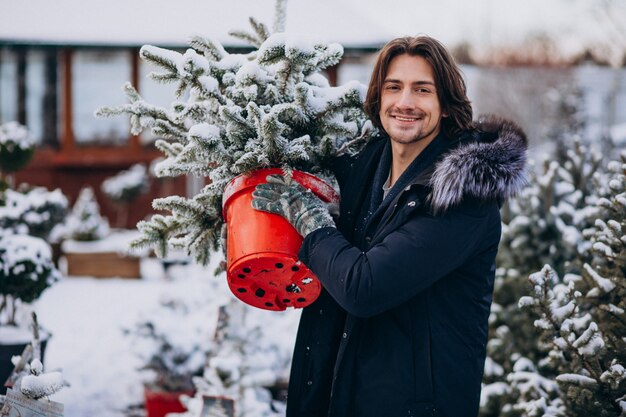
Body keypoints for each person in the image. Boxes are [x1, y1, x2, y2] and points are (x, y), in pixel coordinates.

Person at [252, 35, 527, 417]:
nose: (405, 103)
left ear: (446, 106)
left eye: (422, 90)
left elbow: (365, 287)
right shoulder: (362, 167)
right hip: (337, 395)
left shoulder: (464, 199)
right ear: (378, 98)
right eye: (393, 87)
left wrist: (311, 223)